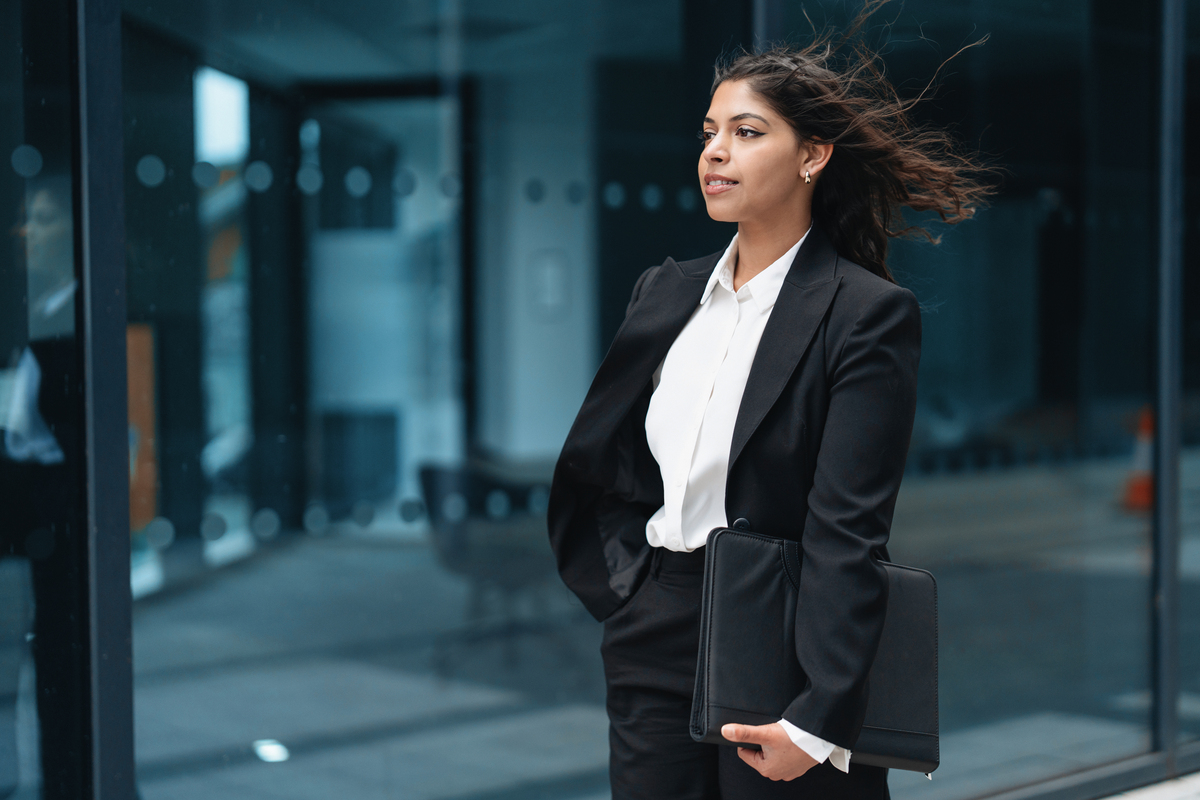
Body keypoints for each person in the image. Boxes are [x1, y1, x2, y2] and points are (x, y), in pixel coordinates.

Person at [547, 11, 993, 800]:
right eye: (710, 131)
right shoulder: (667, 289)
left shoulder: (865, 312)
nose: (716, 151)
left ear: (813, 155)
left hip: (782, 636)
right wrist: (624, 591)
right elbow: (609, 457)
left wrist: (819, 715)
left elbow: (847, 527)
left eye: (748, 132)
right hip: (654, 623)